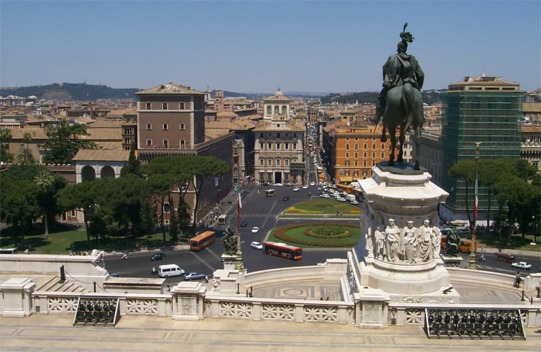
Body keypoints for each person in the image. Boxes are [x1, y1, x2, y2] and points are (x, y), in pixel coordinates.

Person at [373, 23, 424, 125]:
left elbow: (385, 70)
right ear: (405, 49)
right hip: (411, 83)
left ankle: (376, 117)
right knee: (419, 103)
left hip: (395, 84)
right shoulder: (413, 59)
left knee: (381, 97)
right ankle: (421, 118)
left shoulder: (393, 58)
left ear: (398, 49)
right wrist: (418, 87)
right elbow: (421, 75)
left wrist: (387, 81)